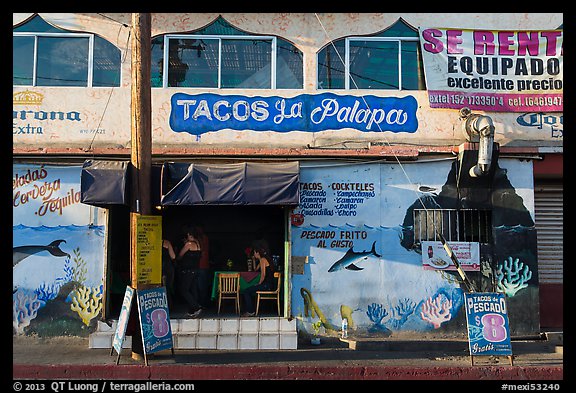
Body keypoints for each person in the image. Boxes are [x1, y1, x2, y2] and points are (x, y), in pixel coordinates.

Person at [175, 226, 203, 318]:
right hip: (196, 269)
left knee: (184, 290)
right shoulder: (198, 243)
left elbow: (180, 255)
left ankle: (196, 307)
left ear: (188, 234)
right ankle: (192, 311)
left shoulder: (189, 244)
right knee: (192, 290)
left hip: (188, 270)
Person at [242, 246, 275, 317]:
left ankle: (250, 311)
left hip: (267, 285)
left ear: (258, 253)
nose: (253, 254)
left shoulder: (263, 260)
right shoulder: (262, 260)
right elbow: (255, 269)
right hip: (267, 284)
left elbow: (263, 274)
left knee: (246, 291)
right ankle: (251, 310)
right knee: (248, 291)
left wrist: (259, 284)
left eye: (254, 253)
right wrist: (254, 260)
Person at [194, 225, 211, 308]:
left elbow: (202, 250)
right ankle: (201, 303)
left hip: (201, 266)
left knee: (201, 286)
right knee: (201, 286)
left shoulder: (202, 238)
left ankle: (202, 304)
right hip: (202, 266)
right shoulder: (204, 238)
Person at [162, 239, 176, 308]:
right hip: (167, 268)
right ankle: (169, 307)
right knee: (167, 288)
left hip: (156, 268)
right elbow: (173, 256)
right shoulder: (166, 242)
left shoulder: (150, 242)